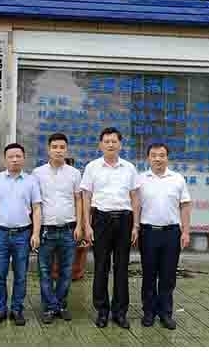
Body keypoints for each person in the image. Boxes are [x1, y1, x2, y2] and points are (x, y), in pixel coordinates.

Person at [80, 127, 140, 329]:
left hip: (124, 220)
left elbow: (135, 197)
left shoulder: (129, 168)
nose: (110, 145)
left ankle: (120, 312)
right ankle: (102, 311)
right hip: (101, 220)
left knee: (122, 267)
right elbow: (86, 196)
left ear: (120, 144)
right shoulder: (92, 167)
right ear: (100, 145)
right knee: (101, 267)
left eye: (114, 141)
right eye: (106, 141)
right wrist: (87, 224)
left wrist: (136, 225)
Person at [134, 143, 192, 330]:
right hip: (148, 232)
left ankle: (166, 313)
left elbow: (185, 205)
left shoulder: (177, 179)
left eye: (161, 155)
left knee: (168, 276)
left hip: (171, 233)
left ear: (167, 158)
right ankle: (149, 312)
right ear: (148, 158)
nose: (158, 159)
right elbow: (136, 206)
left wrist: (186, 231)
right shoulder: (140, 179)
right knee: (149, 274)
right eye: (154, 155)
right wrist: (135, 227)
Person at [0, 143, 42, 326]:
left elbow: (36, 208)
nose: (15, 159)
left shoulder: (31, 181)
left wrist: (36, 233)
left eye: (18, 156)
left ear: (24, 158)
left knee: (21, 275)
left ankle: (17, 309)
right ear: (4, 159)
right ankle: (0, 309)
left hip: (22, 234)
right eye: (11, 156)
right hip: (0, 233)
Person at [33, 133, 82, 324]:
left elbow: (78, 200)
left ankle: (60, 304)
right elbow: (35, 204)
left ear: (66, 150)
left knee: (66, 271)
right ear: (48, 149)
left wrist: (79, 225)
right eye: (54, 147)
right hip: (46, 230)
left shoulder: (74, 173)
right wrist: (35, 232)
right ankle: (50, 307)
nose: (58, 150)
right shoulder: (38, 173)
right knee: (44, 271)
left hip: (68, 229)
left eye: (62, 147)